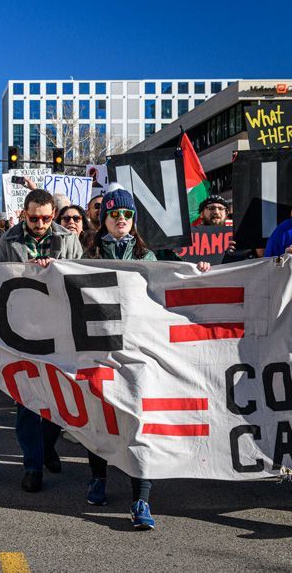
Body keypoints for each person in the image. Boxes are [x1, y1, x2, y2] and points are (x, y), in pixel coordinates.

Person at [82, 186, 211, 529]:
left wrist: (195, 271)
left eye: (126, 215)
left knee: (140, 421)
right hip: (99, 349)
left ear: (133, 220)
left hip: (140, 350)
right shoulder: (86, 255)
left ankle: (142, 498)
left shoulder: (149, 256)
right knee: (101, 417)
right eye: (114, 214)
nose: (120, 220)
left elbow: (173, 285)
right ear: (103, 218)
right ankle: (98, 478)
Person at [0, 188, 83, 493]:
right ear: (24, 214)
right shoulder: (7, 241)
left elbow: (81, 277)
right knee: (27, 400)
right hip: (22, 329)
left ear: (53, 216)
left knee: (60, 395)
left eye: (46, 218)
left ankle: (47, 445)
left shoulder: (69, 240)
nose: (40, 224)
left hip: (59, 330)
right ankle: (32, 464)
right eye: (34, 218)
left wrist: (55, 270)